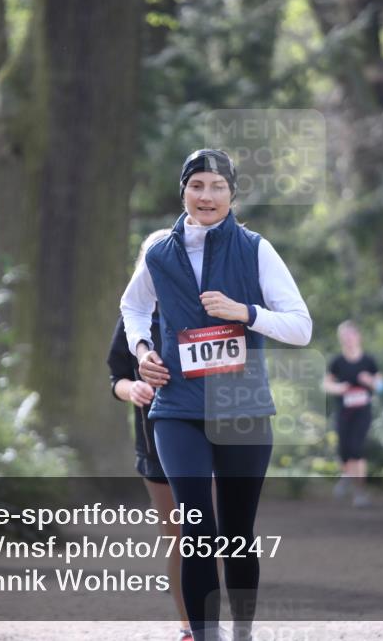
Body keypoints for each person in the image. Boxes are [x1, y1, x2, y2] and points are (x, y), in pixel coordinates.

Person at [120, 148, 312, 641]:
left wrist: (244, 311)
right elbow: (133, 305)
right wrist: (142, 349)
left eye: (217, 187)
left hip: (242, 410)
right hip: (178, 409)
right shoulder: (159, 251)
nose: (206, 196)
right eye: (197, 185)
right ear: (183, 190)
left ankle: (242, 632)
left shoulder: (255, 249)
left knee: (236, 534)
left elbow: (301, 327)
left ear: (232, 194)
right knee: (197, 534)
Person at [107, 229, 194, 641]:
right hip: (153, 440)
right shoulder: (132, 319)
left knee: (208, 534)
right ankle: (188, 628)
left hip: (207, 437)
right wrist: (134, 388)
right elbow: (115, 379)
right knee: (177, 538)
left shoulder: (202, 309)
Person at [323, 320, 383, 507]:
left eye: (351, 336)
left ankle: (359, 491)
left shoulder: (368, 361)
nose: (348, 340)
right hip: (343, 412)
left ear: (358, 337)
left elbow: (382, 386)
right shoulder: (337, 362)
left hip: (362, 413)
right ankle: (348, 475)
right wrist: (339, 388)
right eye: (344, 337)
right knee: (344, 450)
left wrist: (370, 381)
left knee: (357, 450)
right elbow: (326, 384)